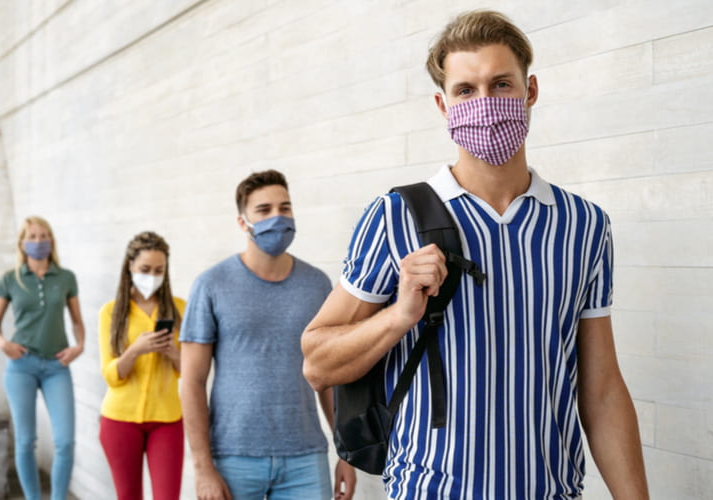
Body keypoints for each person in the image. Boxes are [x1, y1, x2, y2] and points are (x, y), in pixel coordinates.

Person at [301, 10, 649, 500]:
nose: (485, 104)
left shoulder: (584, 225)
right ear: (444, 106)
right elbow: (317, 361)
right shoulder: (394, 215)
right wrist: (399, 316)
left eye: (501, 84)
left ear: (529, 92)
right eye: (466, 90)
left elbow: (602, 388)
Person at [180, 169, 356, 500]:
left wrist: (346, 452)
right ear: (242, 222)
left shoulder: (317, 283)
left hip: (306, 457)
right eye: (264, 210)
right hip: (232, 458)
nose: (278, 217)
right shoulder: (211, 285)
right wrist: (203, 467)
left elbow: (330, 377)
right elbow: (191, 381)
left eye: (285, 208)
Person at [0, 216, 85, 500]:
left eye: (45, 236)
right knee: (26, 441)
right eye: (33, 236)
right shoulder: (11, 279)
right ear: (22, 242)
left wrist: (79, 345)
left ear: (51, 241)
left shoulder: (66, 277)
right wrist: (3, 344)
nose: (39, 241)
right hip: (21, 367)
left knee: (65, 441)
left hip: (57, 366)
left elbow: (77, 320)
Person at [98, 231, 185, 500]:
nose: (152, 276)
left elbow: (189, 371)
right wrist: (134, 351)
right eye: (145, 269)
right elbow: (111, 375)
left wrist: (173, 353)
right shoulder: (111, 312)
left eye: (159, 270)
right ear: (130, 267)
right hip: (119, 420)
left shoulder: (181, 308)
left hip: (167, 420)